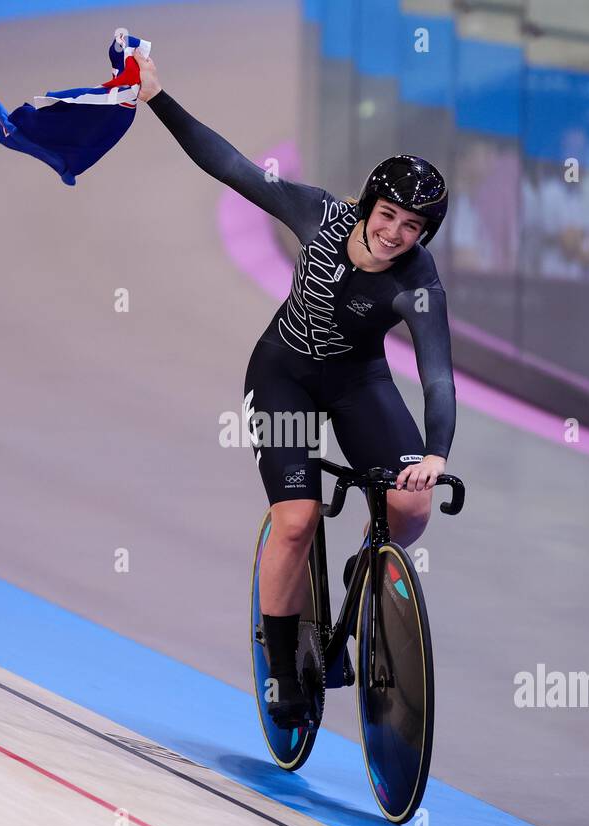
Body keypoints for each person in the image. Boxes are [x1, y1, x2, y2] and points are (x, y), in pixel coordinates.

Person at [134, 50, 456, 727]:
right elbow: (231, 167)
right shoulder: (319, 215)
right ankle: (284, 667)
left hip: (357, 382)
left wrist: (436, 455)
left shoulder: (418, 283)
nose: (396, 233)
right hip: (283, 374)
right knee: (297, 522)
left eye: (413, 227)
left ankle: (366, 574)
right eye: (390, 215)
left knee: (411, 508)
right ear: (371, 203)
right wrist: (158, 96)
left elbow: (435, 374)